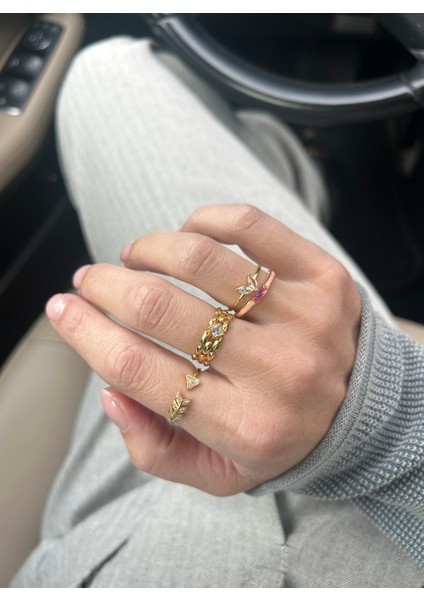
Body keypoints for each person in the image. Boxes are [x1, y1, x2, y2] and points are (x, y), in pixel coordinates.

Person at [10, 36, 424, 587]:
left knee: (106, 74)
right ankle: (317, 173)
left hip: (82, 545)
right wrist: (389, 423)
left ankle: (305, 168)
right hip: (329, 513)